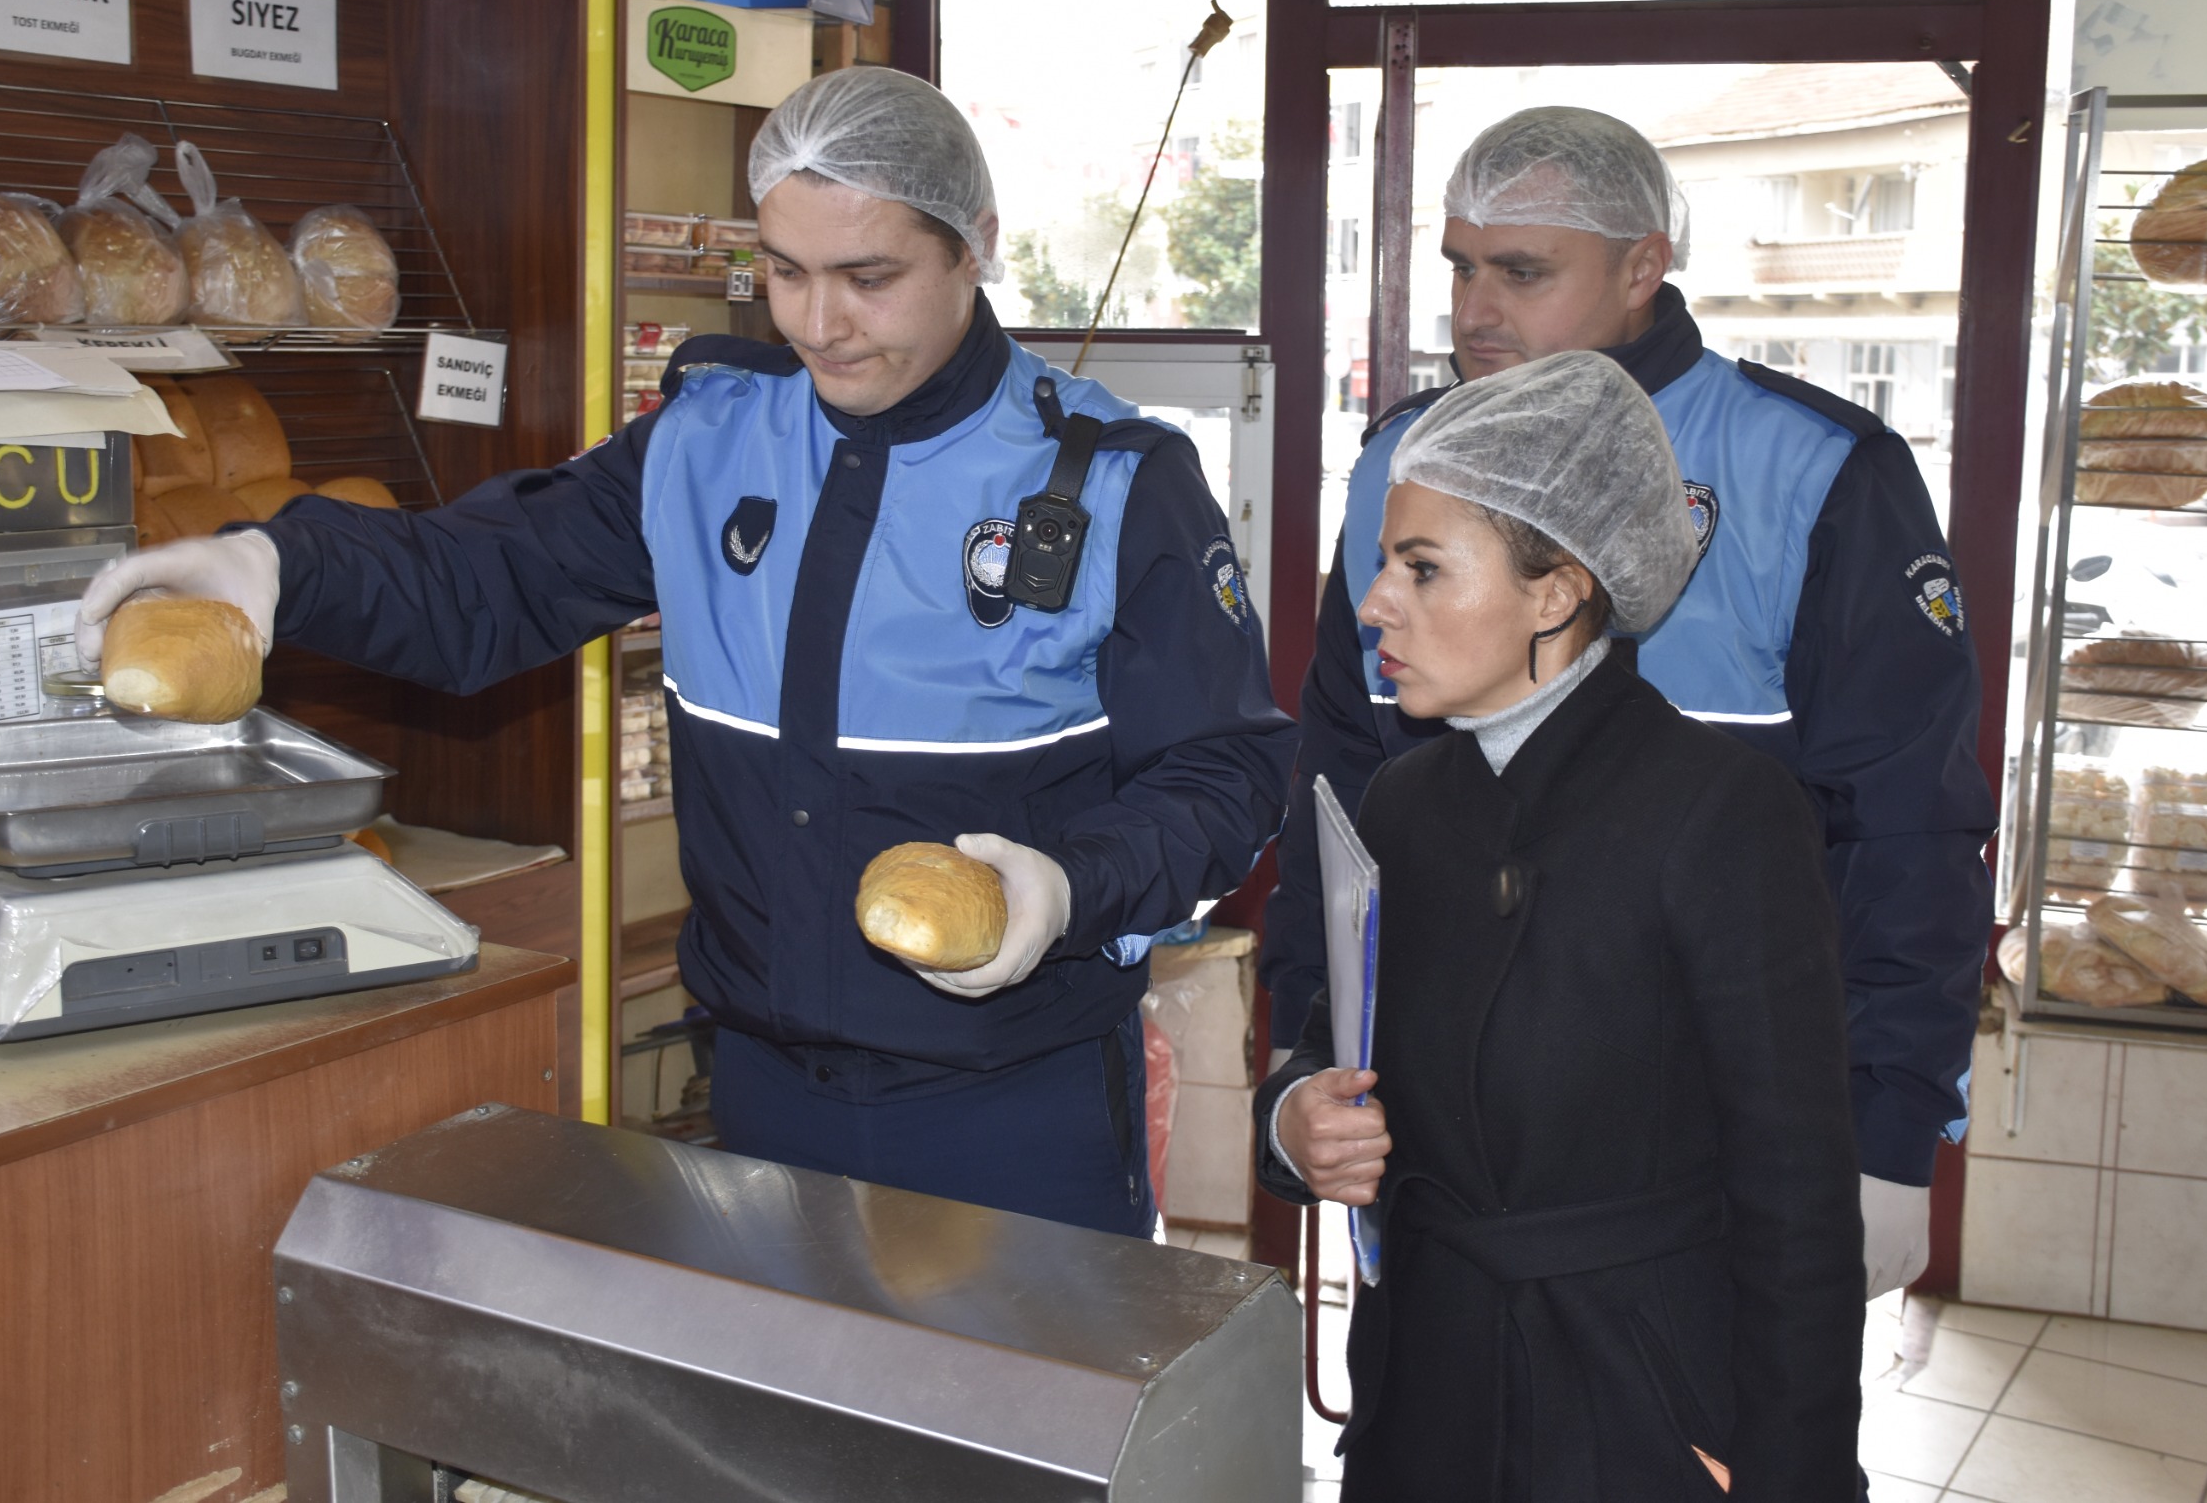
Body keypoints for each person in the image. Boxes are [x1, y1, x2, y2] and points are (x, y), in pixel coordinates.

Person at [77, 66, 1295, 1238]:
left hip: (1015, 1104)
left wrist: (1065, 885)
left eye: (870, 276)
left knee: (1018, 1441)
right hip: (764, 1092)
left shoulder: (1114, 479)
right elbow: (481, 578)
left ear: (973, 243)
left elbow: (1228, 775)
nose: (822, 323)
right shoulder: (706, 438)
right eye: (785, 271)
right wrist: (278, 565)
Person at [1263, 105, 1994, 1297]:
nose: (1474, 309)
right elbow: (1337, 801)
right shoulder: (1401, 468)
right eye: (1458, 266)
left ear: (1643, 264)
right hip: (1446, 1114)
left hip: (1720, 1112)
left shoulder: (1807, 469)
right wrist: (1307, 1058)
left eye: (1521, 271)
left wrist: (1889, 1126)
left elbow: (1908, 826)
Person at [1258, 351, 1866, 1500]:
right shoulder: (1405, 799)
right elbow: (1333, 1047)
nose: (1374, 601)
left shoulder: (1719, 809)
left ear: (1556, 590)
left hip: (1628, 1396)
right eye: (1386, 561)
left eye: (1423, 567)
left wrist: (1793, 1466)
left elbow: (1796, 1196)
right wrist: (1296, 1121)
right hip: (1421, 1386)